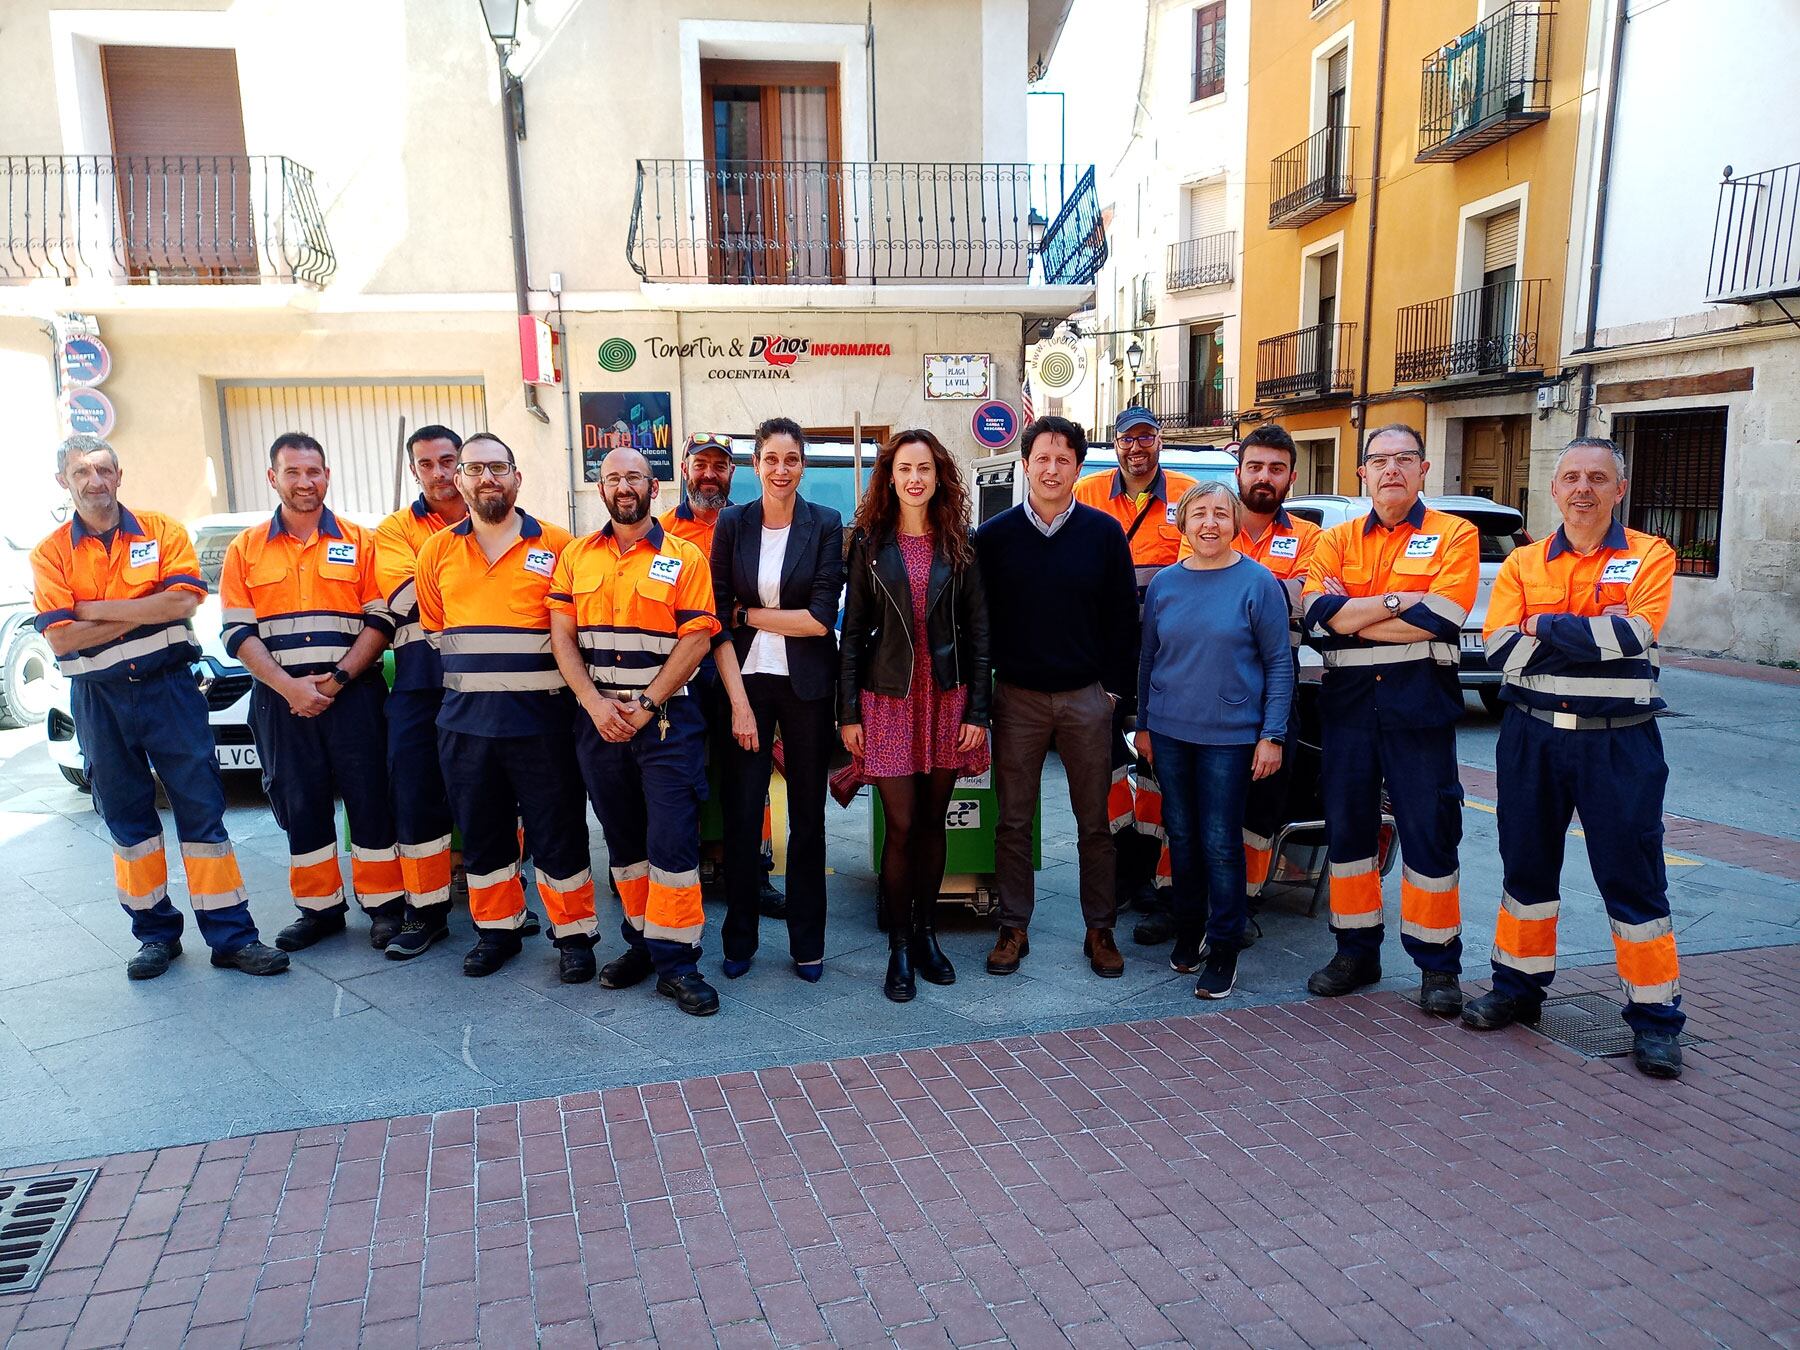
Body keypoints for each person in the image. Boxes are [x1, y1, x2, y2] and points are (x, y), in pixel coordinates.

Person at [30, 434, 286, 978]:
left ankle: (232, 937)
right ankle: (154, 937)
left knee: (202, 813)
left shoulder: (161, 530)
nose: (95, 481)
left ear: (119, 475)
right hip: (99, 700)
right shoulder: (49, 553)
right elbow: (61, 637)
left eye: (104, 470)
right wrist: (147, 607)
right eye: (82, 472)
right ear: (63, 482)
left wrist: (91, 609)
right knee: (129, 823)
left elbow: (183, 600)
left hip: (169, 691)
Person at [1469, 438, 1685, 1078]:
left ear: (1620, 489)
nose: (1583, 488)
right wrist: (1593, 630)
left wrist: (1541, 624)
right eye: (1571, 477)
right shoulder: (1522, 561)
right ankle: (1517, 988)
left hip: (1619, 741)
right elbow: (1499, 650)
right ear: (1554, 488)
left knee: (1633, 876)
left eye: (1597, 477)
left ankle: (1655, 1020)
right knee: (1526, 869)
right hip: (1531, 737)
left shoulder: (1650, 553)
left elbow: (1635, 634)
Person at [1299, 424, 1479, 1015]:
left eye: (1405, 459)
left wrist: (1354, 614)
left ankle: (1438, 965)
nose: (1392, 469)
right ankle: (1355, 952)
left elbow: (1443, 615)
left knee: (1430, 832)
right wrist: (1403, 601)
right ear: (1363, 473)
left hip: (1419, 710)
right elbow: (1316, 614)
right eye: (1380, 460)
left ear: (1424, 469)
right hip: (1348, 712)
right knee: (1349, 834)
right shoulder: (1336, 538)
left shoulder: (1455, 534)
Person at [413, 433, 599, 980]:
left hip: (544, 723)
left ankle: (574, 936)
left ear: (517, 477)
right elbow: (436, 630)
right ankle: (498, 931)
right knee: (483, 834)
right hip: (466, 725)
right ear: (459, 480)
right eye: (474, 469)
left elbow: (574, 631)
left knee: (559, 831)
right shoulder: (436, 551)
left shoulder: (560, 546)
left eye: (497, 468)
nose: (486, 478)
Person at [550, 447, 722, 1017]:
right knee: (624, 842)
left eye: (634, 477)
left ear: (655, 487)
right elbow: (562, 637)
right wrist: (593, 704)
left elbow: (697, 638)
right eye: (613, 478)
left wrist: (646, 704)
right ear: (600, 489)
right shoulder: (575, 557)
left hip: (667, 720)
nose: (624, 486)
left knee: (672, 843)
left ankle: (679, 964)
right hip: (598, 719)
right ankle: (642, 944)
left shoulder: (685, 556)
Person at [221, 433, 404, 952]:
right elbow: (236, 632)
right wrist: (288, 688)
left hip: (355, 696)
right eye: (293, 472)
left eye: (314, 471)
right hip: (281, 702)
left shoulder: (362, 541)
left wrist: (338, 679)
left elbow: (381, 620)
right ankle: (319, 910)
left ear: (327, 476)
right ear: (272, 477)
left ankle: (384, 906)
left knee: (371, 797)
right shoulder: (245, 548)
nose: (305, 482)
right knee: (298, 802)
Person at [975, 415, 1138, 979]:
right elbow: (980, 624)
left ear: (1077, 467)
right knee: (1013, 821)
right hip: (1016, 698)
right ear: (1025, 465)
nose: (1051, 469)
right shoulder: (994, 537)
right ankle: (1012, 926)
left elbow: (1123, 620)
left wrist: (1113, 692)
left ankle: (1100, 930)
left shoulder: (1103, 534)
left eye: (1062, 459)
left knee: (1095, 821)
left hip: (1087, 697)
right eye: (1041, 458)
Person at [839, 430, 991, 1003]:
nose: (914, 478)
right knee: (901, 825)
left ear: (938, 475)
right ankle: (898, 945)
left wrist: (978, 710)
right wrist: (848, 712)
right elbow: (852, 632)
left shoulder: (960, 542)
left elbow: (980, 633)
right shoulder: (869, 543)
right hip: (888, 697)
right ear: (890, 477)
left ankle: (927, 935)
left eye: (924, 468)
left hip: (946, 696)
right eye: (904, 468)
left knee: (933, 822)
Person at [1134, 482, 1292, 999]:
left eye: (1221, 514)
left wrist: (1272, 735)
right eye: (1199, 513)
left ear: (1235, 523)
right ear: (1183, 523)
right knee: (1180, 835)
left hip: (1230, 737)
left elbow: (1279, 663)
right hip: (1170, 732)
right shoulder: (1165, 584)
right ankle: (1189, 930)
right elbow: (1148, 658)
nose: (1210, 523)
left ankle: (1224, 947)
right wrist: (1144, 724)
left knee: (1221, 842)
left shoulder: (1259, 583)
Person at [711, 418, 844, 982]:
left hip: (807, 687)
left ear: (803, 466)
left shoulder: (825, 523)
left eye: (791, 459)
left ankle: (808, 944)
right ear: (756, 464)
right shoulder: (732, 523)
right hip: (744, 685)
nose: (781, 469)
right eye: (771, 459)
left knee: (808, 819)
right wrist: (739, 703)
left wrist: (748, 613)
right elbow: (716, 619)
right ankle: (739, 940)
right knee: (743, 815)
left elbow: (819, 619)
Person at [1074, 406, 1197, 945]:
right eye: (1128, 438)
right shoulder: (1087, 491)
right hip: (1104, 653)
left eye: (1147, 437)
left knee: (1158, 764)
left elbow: (1199, 568)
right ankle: (1122, 869)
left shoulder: (1187, 494)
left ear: (1159, 442)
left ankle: (1154, 876)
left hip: (1168, 653)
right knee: (1104, 764)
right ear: (1116, 444)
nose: (1137, 447)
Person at [659, 431, 785, 917]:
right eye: (701, 465)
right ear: (685, 469)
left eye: (719, 465)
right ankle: (675, 869)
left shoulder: (751, 524)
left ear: (734, 472)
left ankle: (753, 874)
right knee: (678, 773)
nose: (709, 474)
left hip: (741, 667)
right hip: (682, 672)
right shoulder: (662, 532)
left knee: (749, 777)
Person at [373, 424, 466, 959]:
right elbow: (405, 597)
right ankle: (426, 912)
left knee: (495, 795)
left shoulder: (503, 518)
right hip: (420, 682)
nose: (438, 473)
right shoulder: (394, 530)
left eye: (447, 461)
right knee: (415, 795)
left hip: (490, 684)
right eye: (426, 464)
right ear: (414, 471)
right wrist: (485, 582)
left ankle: (504, 910)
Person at [1228, 424, 1321, 901]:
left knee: (1263, 801)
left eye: (1276, 469)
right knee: (1192, 798)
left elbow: (1308, 599)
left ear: (1292, 477)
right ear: (1239, 472)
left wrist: (1227, 587)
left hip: (1277, 685)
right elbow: (1191, 584)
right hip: (1209, 684)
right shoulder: (1210, 521)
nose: (1264, 477)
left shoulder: (1310, 536)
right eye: (1256, 466)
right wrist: (1273, 592)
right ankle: (1177, 899)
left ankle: (1244, 900)